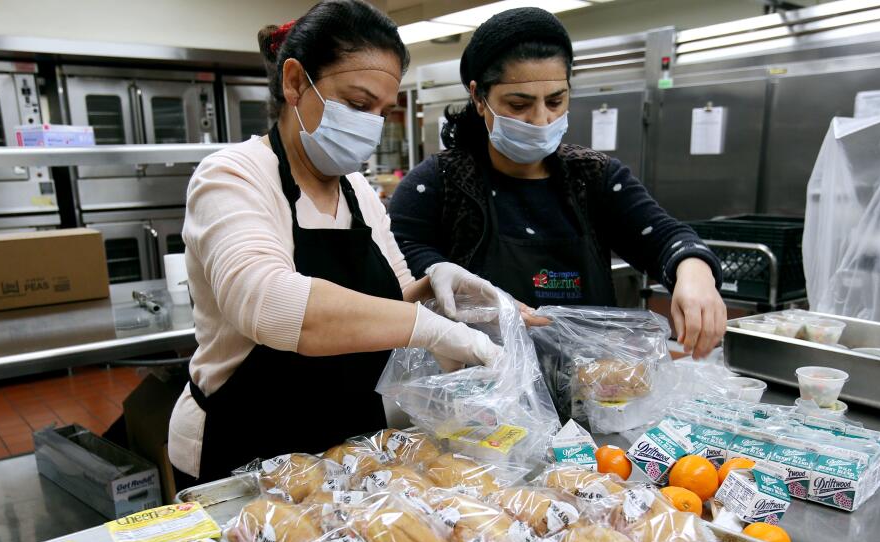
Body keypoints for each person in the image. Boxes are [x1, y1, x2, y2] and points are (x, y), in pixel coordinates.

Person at [169, 0, 511, 485]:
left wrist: (435, 287)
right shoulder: (233, 176)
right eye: (356, 104)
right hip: (243, 449)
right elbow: (268, 303)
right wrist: (430, 329)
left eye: (381, 110)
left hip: (349, 451)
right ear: (294, 83)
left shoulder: (359, 194)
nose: (370, 124)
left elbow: (388, 305)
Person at [389, 7, 727, 359]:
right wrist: (438, 274)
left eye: (555, 101)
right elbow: (401, 259)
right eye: (519, 104)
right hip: (481, 392)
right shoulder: (439, 183)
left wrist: (693, 271)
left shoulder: (594, 177)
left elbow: (664, 237)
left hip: (595, 390)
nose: (540, 119)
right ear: (478, 97)